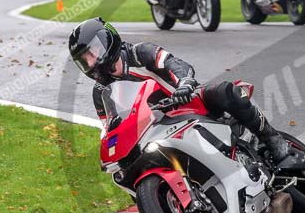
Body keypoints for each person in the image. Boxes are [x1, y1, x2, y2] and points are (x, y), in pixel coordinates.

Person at [68, 17, 291, 163]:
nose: (91, 62)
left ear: (107, 40)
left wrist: (184, 83)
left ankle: (271, 137)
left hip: (187, 103)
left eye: (92, 52)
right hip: (154, 130)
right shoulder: (100, 93)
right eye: (84, 60)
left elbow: (174, 64)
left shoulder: (139, 53)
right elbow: (108, 128)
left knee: (225, 91)